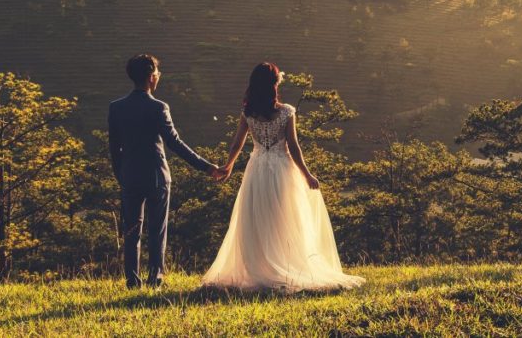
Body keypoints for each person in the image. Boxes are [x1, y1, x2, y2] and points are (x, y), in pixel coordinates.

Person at [202, 62, 364, 292]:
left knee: (258, 217)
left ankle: (261, 267)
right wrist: (306, 174)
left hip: (256, 168)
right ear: (274, 84)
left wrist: (228, 165)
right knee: (285, 216)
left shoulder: (248, 113)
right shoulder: (286, 111)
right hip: (282, 169)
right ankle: (286, 264)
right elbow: (293, 146)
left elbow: (237, 142)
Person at [108, 53, 220, 289]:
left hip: (129, 176)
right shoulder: (159, 107)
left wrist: (122, 176)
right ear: (151, 77)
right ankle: (155, 279)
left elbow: (114, 149)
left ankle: (132, 281)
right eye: (157, 73)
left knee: (131, 231)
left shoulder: (116, 108)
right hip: (156, 176)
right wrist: (206, 167)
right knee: (157, 230)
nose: (159, 77)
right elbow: (175, 143)